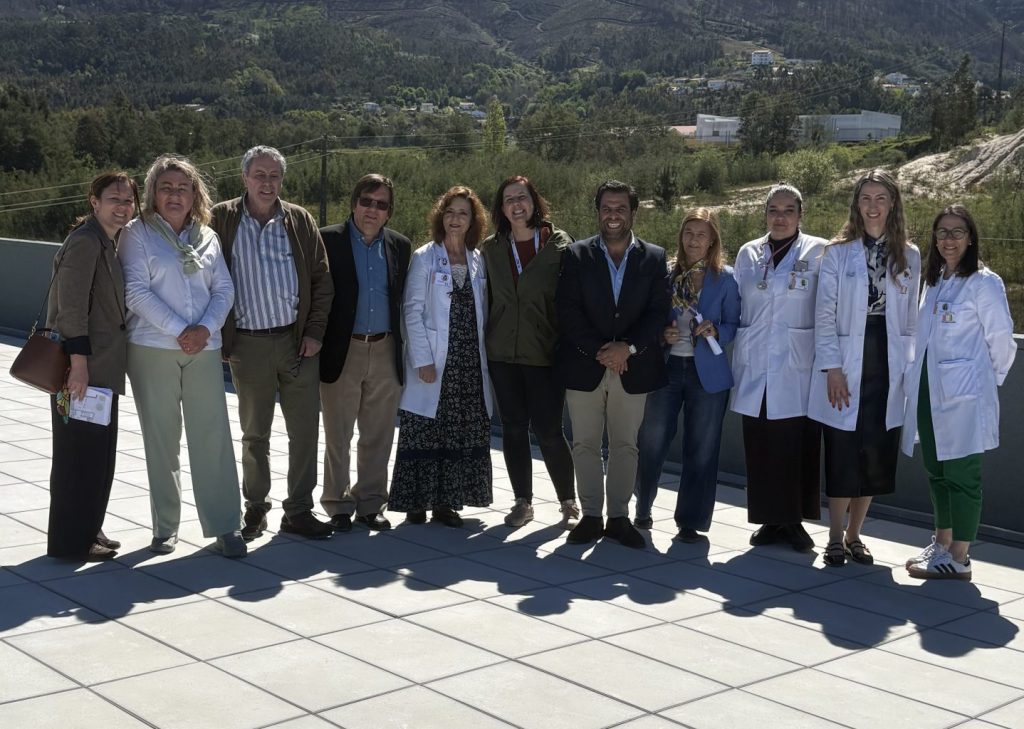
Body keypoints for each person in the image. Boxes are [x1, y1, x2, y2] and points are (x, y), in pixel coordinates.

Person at [119, 154, 245, 557]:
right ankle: (165, 528)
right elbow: (136, 292)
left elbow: (224, 290)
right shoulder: (136, 235)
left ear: (195, 195)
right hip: (152, 348)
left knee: (213, 438)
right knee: (162, 440)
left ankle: (226, 525)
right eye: (166, 187)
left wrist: (204, 330)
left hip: (204, 349)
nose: (175, 194)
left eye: (183, 188)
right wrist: (180, 331)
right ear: (153, 192)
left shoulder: (208, 237)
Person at [210, 146, 334, 541]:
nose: (267, 183)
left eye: (274, 176)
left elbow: (321, 279)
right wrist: (221, 337)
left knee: (304, 432)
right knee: (254, 434)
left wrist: (314, 333)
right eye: (259, 175)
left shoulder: (298, 220)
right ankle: (255, 508)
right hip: (247, 345)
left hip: (297, 344)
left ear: (282, 179)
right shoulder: (221, 219)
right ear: (244, 178)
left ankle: (298, 510)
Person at [809, 169, 920, 567]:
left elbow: (909, 322)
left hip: (887, 364)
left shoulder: (909, 254)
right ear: (856, 205)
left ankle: (857, 535)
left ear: (893, 205)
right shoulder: (837, 252)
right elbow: (824, 315)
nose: (873, 207)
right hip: (846, 360)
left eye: (881, 199)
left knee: (875, 449)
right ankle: (835, 536)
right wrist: (832, 369)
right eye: (866, 198)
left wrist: (907, 371)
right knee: (841, 447)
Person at [902, 205, 1016, 581]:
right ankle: (942, 542)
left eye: (957, 232)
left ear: (971, 237)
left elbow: (1001, 341)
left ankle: (961, 556)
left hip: (965, 394)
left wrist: (984, 381)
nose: (948, 240)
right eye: (942, 233)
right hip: (928, 389)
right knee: (937, 470)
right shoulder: (934, 281)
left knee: (963, 473)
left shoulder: (984, 282)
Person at [556, 180, 669, 549]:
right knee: (585, 443)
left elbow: (658, 313)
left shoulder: (653, 257)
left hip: (632, 367)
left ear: (633, 212)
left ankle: (619, 518)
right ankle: (591, 516)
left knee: (625, 445)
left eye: (621, 208)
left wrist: (628, 349)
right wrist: (603, 351)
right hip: (585, 365)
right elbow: (568, 312)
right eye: (607, 208)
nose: (614, 215)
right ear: (598, 211)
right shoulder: (576, 255)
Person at [45, 172, 136, 561]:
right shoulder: (85, 243)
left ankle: (88, 528)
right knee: (77, 459)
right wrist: (78, 366)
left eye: (129, 200)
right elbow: (71, 310)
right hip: (83, 370)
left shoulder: (107, 243)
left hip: (102, 370)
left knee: (97, 456)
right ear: (94, 201)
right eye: (114, 199)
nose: (122, 206)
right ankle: (71, 542)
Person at [634, 208, 740, 542]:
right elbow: (647, 319)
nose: (694, 240)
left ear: (713, 241)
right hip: (666, 369)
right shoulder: (665, 275)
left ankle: (690, 522)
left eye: (701, 235)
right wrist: (660, 335)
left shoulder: (726, 279)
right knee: (651, 443)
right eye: (689, 233)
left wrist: (717, 330)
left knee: (702, 448)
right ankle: (643, 508)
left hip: (706, 375)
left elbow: (734, 324)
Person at [389, 186, 493, 526]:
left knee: (458, 431)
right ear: (440, 216)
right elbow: (412, 310)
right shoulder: (425, 256)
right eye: (450, 212)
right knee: (424, 428)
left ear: (473, 220)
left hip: (467, 362)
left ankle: (447, 502)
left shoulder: (477, 259)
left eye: (463, 213)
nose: (455, 219)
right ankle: (416, 502)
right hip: (433, 360)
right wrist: (422, 359)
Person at [731, 183, 826, 553]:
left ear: (801, 215)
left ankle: (794, 521)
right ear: (765, 214)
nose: (781, 217)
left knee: (795, 442)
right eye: (774, 210)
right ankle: (768, 520)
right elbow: (737, 301)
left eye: (788, 210)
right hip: (756, 360)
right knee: (760, 442)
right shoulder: (748, 252)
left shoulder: (818, 251)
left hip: (797, 362)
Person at [482, 176, 579, 529]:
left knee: (549, 430)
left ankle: (568, 502)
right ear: (501, 208)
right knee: (512, 427)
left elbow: (573, 299)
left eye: (521, 197)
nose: (516, 205)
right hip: (502, 353)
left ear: (534, 202)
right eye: (508, 199)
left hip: (544, 353)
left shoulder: (558, 245)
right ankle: (523, 502)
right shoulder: (491, 249)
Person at [319, 174, 411, 532]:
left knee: (379, 432)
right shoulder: (327, 240)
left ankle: (371, 503)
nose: (373, 209)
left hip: (386, 348)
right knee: (337, 433)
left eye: (382, 204)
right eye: (367, 201)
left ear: (389, 212)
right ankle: (337, 504)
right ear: (354, 203)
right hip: (343, 349)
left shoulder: (399, 246)